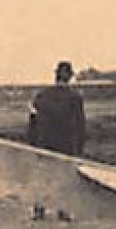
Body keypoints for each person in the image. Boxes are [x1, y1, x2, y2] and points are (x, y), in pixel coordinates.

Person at [28, 60, 88, 220]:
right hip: (65, 145)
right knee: (63, 179)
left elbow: (32, 123)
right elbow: (80, 126)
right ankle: (63, 211)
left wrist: (33, 145)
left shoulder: (41, 96)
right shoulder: (75, 98)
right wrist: (79, 151)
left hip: (43, 145)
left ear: (56, 76)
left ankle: (39, 210)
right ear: (69, 77)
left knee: (43, 178)